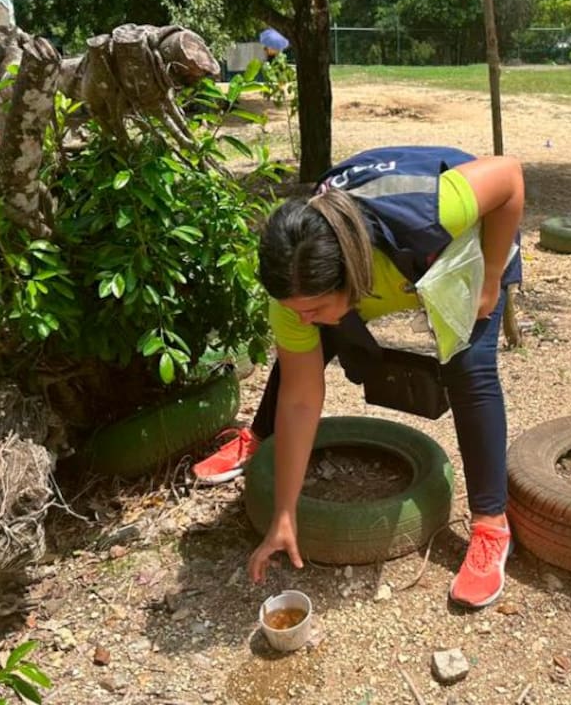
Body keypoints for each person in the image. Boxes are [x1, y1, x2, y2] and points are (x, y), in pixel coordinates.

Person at [192, 146, 524, 609]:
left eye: (310, 307)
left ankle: (491, 525)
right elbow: (302, 398)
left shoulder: (432, 208)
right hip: (371, 258)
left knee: (468, 368)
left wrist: (489, 276)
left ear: (353, 276)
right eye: (293, 308)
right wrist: (284, 512)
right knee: (305, 347)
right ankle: (258, 437)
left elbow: (508, 176)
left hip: (467, 244)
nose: (299, 318)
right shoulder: (298, 283)